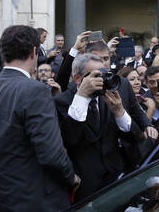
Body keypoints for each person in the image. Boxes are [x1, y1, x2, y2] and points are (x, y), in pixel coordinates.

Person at [0, 25, 79, 212]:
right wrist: (70, 176)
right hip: (37, 205)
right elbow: (51, 153)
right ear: (34, 51)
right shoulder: (35, 90)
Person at [54, 53, 141, 201]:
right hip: (85, 189)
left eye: (104, 74)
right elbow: (70, 140)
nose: (102, 80)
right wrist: (81, 98)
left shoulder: (107, 97)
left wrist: (120, 113)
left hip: (117, 182)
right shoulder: (61, 102)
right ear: (77, 78)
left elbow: (135, 138)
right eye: (96, 76)